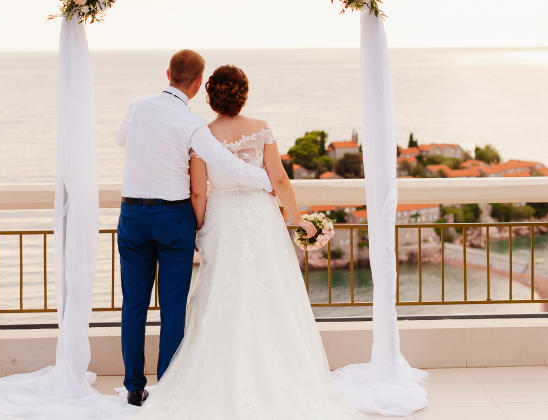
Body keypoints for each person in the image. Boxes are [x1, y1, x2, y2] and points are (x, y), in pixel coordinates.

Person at [131, 65, 362, 419]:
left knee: (222, 292)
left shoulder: (201, 133)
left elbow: (197, 191)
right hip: (261, 220)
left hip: (222, 220)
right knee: (271, 293)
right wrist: (297, 218)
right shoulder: (261, 129)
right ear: (243, 94)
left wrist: (200, 228)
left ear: (210, 96)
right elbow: (280, 180)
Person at [114, 51, 275, 406]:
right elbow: (224, 163)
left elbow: (120, 139)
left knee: (133, 305)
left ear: (168, 72)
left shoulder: (138, 106)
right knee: (172, 307)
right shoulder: (192, 125)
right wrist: (267, 180)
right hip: (173, 219)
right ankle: (168, 384)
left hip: (133, 216)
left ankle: (133, 387)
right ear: (198, 83)